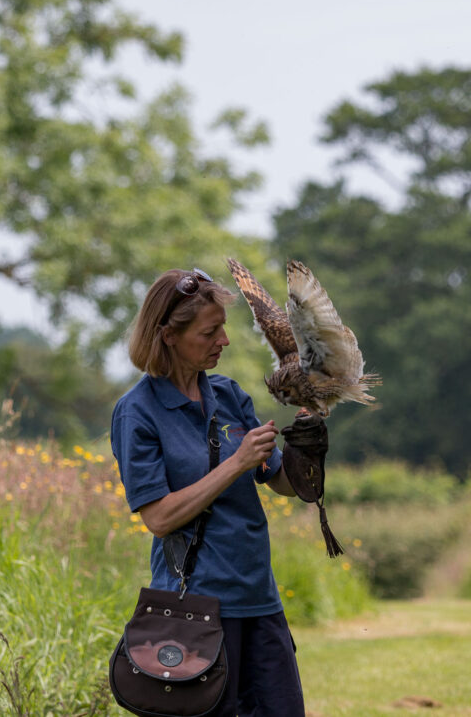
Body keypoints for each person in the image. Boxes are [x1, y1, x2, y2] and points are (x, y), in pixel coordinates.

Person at [110, 267, 312, 716]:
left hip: (260, 599)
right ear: (168, 335)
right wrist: (235, 462)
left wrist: (306, 444)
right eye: (210, 331)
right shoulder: (137, 413)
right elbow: (159, 518)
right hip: (193, 611)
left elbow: (282, 483)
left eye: (223, 327)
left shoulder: (228, 395)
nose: (224, 340)